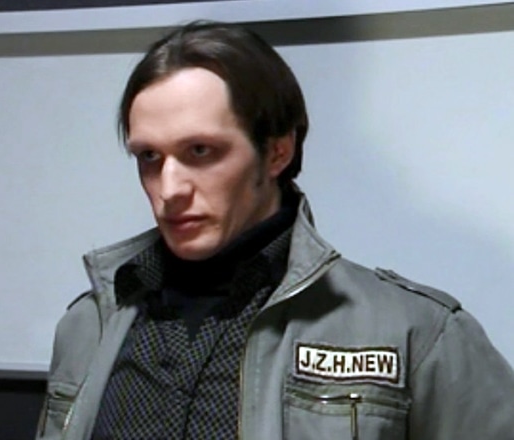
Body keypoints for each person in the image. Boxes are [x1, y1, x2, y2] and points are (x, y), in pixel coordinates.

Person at [37, 21, 514, 439]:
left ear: (277, 152)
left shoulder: (416, 333)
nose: (170, 188)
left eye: (200, 151)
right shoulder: (88, 327)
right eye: (149, 157)